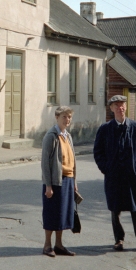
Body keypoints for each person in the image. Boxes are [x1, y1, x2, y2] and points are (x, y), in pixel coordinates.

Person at [93, 95, 136, 256]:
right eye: (117, 105)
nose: (120, 108)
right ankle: (119, 240)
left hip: (132, 177)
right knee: (115, 209)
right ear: (111, 108)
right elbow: (98, 152)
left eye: (123, 105)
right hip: (114, 177)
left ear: (126, 107)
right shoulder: (105, 129)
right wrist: (106, 168)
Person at [41, 105, 78, 257]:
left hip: (68, 180)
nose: (67, 120)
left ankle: (59, 245)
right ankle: (47, 245)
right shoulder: (51, 136)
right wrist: (48, 185)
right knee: (51, 213)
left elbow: (73, 160)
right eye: (64, 117)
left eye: (69, 117)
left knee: (63, 214)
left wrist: (74, 181)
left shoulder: (67, 136)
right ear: (57, 118)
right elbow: (45, 163)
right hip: (55, 181)